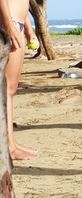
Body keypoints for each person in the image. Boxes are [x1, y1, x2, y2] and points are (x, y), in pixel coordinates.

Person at [0, 0, 39, 160]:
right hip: (8, 24)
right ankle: (8, 146)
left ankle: (11, 144)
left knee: (10, 89)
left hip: (17, 23)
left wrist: (29, 30)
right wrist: (9, 25)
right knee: (5, 90)